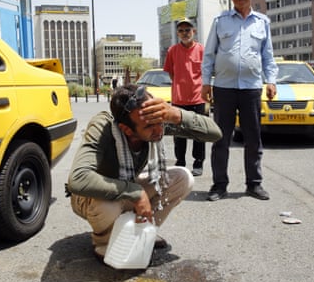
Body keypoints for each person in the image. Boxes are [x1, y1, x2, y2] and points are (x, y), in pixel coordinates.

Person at [67, 84, 222, 260]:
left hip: (127, 186)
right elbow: (78, 179)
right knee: (108, 205)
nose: (158, 130)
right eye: (149, 127)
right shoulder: (103, 127)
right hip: (92, 196)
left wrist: (175, 114)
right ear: (127, 129)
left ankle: (144, 230)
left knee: (183, 178)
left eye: (160, 121)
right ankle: (104, 242)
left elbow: (215, 133)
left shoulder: (153, 121)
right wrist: (136, 193)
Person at [201, 0, 278, 202]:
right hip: (223, 89)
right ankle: (219, 185)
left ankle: (254, 184)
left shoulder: (262, 22)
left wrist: (271, 81)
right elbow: (209, 55)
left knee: (253, 139)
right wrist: (206, 82)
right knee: (220, 139)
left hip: (252, 88)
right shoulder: (220, 21)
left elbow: (268, 56)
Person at [164, 18, 207, 177]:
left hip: (198, 99)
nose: (184, 33)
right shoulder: (172, 51)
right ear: (177, 33)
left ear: (193, 31)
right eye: (181, 30)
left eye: (187, 30)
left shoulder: (202, 50)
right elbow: (171, 72)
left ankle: (198, 163)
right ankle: (180, 162)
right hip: (179, 100)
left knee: (198, 134)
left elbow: (207, 72)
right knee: (179, 135)